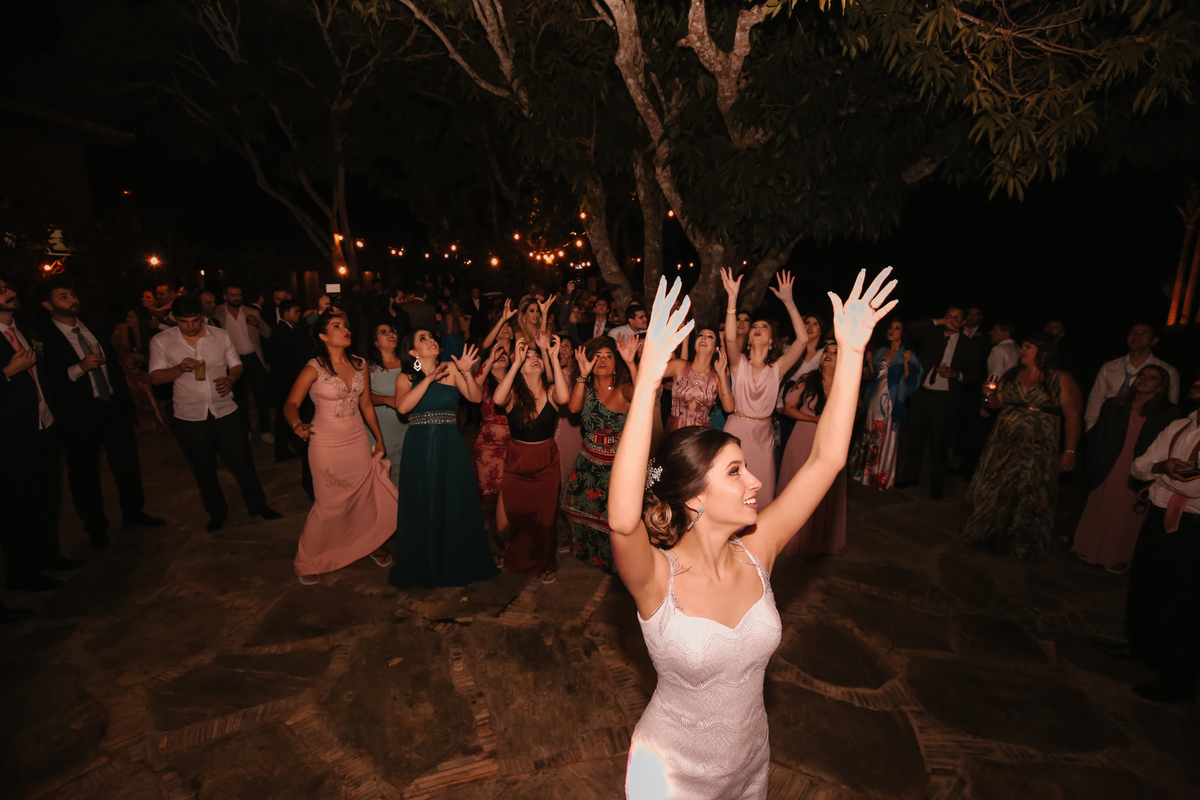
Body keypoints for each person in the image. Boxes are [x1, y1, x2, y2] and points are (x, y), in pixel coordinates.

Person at [610, 271, 895, 799]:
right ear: (694, 496)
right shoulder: (655, 579)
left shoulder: (757, 549)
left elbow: (827, 460)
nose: (757, 481)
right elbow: (623, 521)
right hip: (670, 778)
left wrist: (852, 351)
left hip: (749, 768)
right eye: (736, 472)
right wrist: (648, 381)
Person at [1093, 373, 1200, 704]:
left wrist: (1162, 472)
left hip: (1193, 527)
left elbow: (1193, 487)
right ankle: (1142, 647)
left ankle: (1178, 679)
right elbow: (1139, 466)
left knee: (1184, 602)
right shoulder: (1181, 425)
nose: (1197, 384)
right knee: (1146, 585)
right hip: (1158, 517)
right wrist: (1165, 470)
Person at [37, 279, 165, 548]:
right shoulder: (42, 337)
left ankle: (134, 512)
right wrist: (78, 368)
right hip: (79, 413)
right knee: (84, 473)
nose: (72, 299)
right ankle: (96, 527)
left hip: (112, 405)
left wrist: (123, 400)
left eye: (73, 294)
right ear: (48, 305)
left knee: (127, 463)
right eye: (63, 297)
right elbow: (46, 379)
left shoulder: (95, 326)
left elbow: (114, 366)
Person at [149, 296, 281, 533]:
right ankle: (217, 513)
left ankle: (258, 505)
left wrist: (231, 378)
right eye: (184, 321)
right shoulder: (162, 341)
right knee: (203, 467)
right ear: (175, 319)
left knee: (242, 461)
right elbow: (156, 378)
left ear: (202, 315)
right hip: (190, 417)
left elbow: (237, 364)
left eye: (195, 320)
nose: (190, 326)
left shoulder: (219, 336)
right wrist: (179, 368)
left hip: (225, 411)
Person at [285, 313, 397, 585]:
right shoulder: (314, 367)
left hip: (357, 439)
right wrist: (297, 423)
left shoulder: (359, 364)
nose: (345, 330)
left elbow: (367, 404)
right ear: (323, 336)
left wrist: (378, 439)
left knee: (363, 497)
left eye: (346, 325)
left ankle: (369, 544)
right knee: (329, 504)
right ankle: (310, 558)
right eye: (337, 327)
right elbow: (291, 403)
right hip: (325, 444)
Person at [387, 331, 498, 588]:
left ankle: (455, 560)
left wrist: (467, 372)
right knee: (422, 500)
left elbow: (476, 398)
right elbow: (403, 407)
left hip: (450, 445)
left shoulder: (451, 368)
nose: (431, 340)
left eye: (432, 336)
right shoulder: (405, 377)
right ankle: (424, 561)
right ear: (413, 352)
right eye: (423, 339)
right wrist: (427, 380)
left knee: (453, 500)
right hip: (420, 446)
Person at [961, 334, 1082, 560]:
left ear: (1043, 351)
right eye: (1022, 346)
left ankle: (1022, 544)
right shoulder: (1013, 374)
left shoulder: (1061, 379)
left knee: (1031, 491)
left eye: (1028, 347)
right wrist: (988, 398)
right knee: (994, 487)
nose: (1021, 350)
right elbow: (998, 402)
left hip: (1039, 448)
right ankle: (985, 533)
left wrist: (1069, 451)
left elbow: (1073, 416)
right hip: (1003, 443)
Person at [0, 276, 83, 600]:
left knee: (46, 496)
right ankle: (22, 572)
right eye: (2, 290)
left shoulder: (26, 331)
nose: (11, 293)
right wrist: (6, 371)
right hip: (11, 435)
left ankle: (49, 555)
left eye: (8, 288)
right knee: (17, 505)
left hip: (43, 424)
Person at [1073, 366, 1179, 572]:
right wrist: (1095, 463)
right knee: (1101, 505)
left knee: (1126, 514)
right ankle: (1088, 549)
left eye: (1152, 378)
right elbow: (1098, 437)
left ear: (1160, 386)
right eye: (1141, 375)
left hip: (1139, 468)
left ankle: (1116, 557)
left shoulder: (1168, 413)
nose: (1144, 380)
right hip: (1110, 465)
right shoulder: (1115, 405)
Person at [720, 268, 809, 508]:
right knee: (732, 493)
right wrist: (731, 297)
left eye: (765, 327)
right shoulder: (739, 363)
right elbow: (729, 339)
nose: (758, 328)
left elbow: (802, 340)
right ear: (748, 340)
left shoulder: (777, 369)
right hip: (737, 431)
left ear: (772, 342)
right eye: (754, 327)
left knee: (762, 494)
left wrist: (789, 302)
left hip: (763, 437)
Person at [491, 333, 571, 583]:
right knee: (503, 524)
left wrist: (554, 358)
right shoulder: (514, 395)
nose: (534, 359)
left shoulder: (551, 393)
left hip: (546, 463)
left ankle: (547, 561)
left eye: (537, 357)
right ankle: (506, 548)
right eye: (528, 357)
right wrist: (515, 362)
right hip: (517, 464)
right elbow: (497, 399)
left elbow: (565, 398)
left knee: (545, 523)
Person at [560, 334, 640, 572]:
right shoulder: (584, 388)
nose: (603, 360)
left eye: (609, 356)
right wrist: (582, 376)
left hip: (616, 467)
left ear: (617, 363)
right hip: (587, 460)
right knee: (573, 506)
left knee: (611, 518)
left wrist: (632, 362)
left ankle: (615, 560)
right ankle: (585, 550)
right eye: (598, 356)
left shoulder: (623, 390)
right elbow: (573, 408)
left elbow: (641, 393)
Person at [896, 306, 981, 499]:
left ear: (964, 321)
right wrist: (941, 321)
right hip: (921, 395)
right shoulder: (933, 335)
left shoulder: (970, 345)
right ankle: (910, 477)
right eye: (948, 315)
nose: (952, 319)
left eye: (957, 317)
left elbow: (975, 375)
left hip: (945, 399)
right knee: (915, 439)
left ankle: (937, 485)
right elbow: (912, 327)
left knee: (939, 444)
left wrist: (955, 374)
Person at [778, 343, 847, 556]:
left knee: (823, 491)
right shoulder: (808, 379)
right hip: (802, 437)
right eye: (827, 351)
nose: (829, 354)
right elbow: (788, 408)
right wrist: (815, 419)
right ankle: (790, 537)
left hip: (830, 441)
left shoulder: (846, 384)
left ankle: (817, 539)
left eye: (835, 353)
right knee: (798, 487)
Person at [850, 319, 923, 490]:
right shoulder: (881, 351)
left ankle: (881, 477)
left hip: (891, 402)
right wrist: (869, 361)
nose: (892, 330)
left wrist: (906, 363)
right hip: (874, 399)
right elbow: (874, 376)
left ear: (902, 333)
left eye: (897, 328)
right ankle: (865, 474)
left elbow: (911, 383)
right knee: (870, 434)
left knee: (886, 437)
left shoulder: (908, 353)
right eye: (891, 327)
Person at [1084, 323, 1180, 431]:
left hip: (1143, 427)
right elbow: (1096, 398)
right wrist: (1090, 426)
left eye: (1144, 334)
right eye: (1133, 332)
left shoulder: (1167, 371)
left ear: (1154, 340)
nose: (1136, 336)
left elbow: (1170, 404)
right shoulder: (1110, 366)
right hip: (1108, 424)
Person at [214, 283, 274, 442]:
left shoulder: (251, 312)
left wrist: (258, 324)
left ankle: (265, 431)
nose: (237, 298)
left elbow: (268, 333)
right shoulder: (218, 313)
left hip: (254, 358)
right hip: (235, 361)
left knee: (261, 396)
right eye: (233, 295)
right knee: (240, 399)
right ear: (225, 297)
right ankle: (246, 430)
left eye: (239, 295)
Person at [111, 305, 171, 434]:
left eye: (131, 317)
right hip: (126, 371)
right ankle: (147, 424)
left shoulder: (150, 333)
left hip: (145, 370)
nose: (127, 319)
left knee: (148, 386)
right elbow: (112, 349)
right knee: (135, 387)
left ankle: (160, 423)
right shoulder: (122, 329)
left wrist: (143, 360)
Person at [662, 328, 733, 433]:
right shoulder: (679, 366)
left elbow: (729, 408)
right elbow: (649, 371)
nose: (704, 338)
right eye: (700, 335)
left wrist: (722, 373)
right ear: (695, 344)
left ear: (715, 348)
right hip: (675, 429)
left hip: (700, 434)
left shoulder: (717, 376)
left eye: (710, 336)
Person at [366, 322, 409, 487]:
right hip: (383, 433)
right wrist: (386, 399)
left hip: (407, 431)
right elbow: (361, 398)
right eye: (383, 332)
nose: (391, 334)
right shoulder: (369, 367)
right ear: (375, 342)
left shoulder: (408, 363)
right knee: (387, 487)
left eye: (392, 331)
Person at [473, 342, 513, 507]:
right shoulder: (483, 385)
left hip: (514, 448)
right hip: (488, 448)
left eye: (504, 353)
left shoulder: (517, 383)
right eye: (496, 355)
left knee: (510, 499)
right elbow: (472, 386)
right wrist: (490, 360)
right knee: (487, 501)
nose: (501, 356)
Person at [268, 300, 309, 462]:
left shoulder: (286, 330)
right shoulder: (282, 331)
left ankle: (283, 450)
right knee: (282, 417)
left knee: (283, 417)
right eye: (296, 312)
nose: (299, 315)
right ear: (286, 314)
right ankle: (282, 451)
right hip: (284, 383)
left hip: (286, 381)